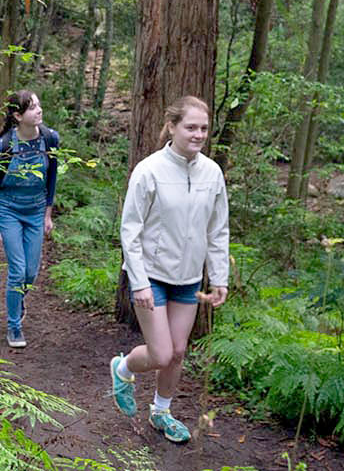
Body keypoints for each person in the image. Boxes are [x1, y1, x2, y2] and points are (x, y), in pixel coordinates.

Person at [107, 96, 230, 443]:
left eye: (204, 128)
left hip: (188, 279)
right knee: (160, 353)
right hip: (152, 277)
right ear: (172, 126)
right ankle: (124, 368)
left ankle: (161, 412)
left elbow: (217, 229)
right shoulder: (149, 170)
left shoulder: (212, 172)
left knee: (178, 352)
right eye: (191, 127)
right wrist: (139, 281)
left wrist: (219, 276)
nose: (198, 134)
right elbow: (130, 229)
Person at [0, 90, 59, 348]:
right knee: (17, 271)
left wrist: (48, 214)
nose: (38, 110)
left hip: (36, 210)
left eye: (38, 105)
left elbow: (52, 179)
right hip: (10, 211)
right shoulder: (3, 146)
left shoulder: (50, 139)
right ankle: (14, 326)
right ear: (18, 116)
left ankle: (18, 300)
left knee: (31, 272)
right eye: (31, 107)